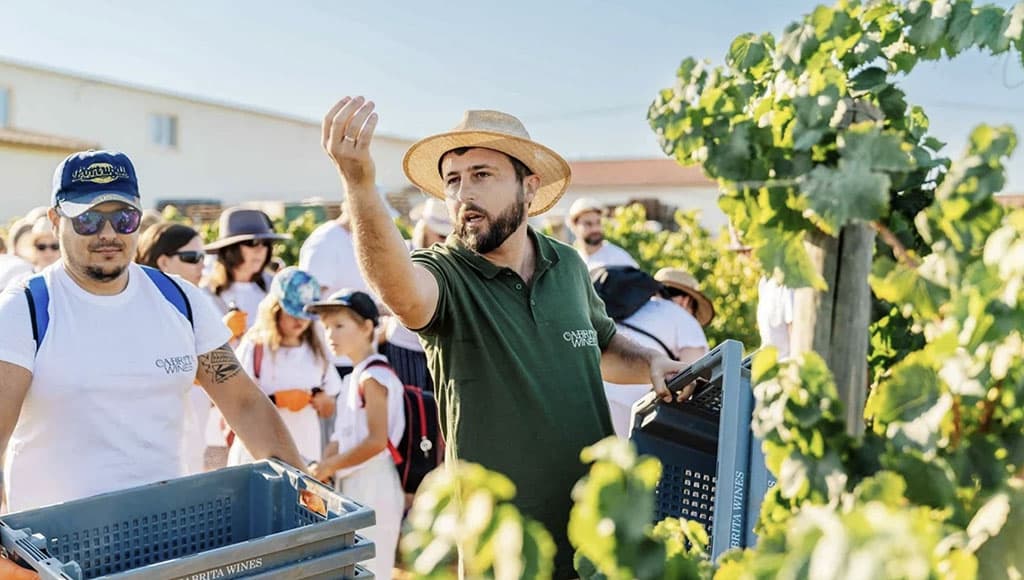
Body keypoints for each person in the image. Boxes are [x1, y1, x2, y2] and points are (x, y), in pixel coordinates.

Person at [320, 96, 691, 578]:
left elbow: (600, 345)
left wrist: (651, 363)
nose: (463, 193)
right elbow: (399, 289)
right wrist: (359, 183)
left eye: (481, 175)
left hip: (595, 532)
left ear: (528, 187)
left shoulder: (569, 265)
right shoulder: (446, 274)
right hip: (503, 548)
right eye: (453, 180)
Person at [0, 150, 305, 518]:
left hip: (163, 535)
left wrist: (305, 500)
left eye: (124, 219)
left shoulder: (180, 299)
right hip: (56, 550)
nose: (108, 234)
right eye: (89, 219)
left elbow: (244, 403)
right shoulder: (26, 309)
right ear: (55, 220)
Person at [309, 289, 404, 580]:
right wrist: (323, 467)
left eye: (339, 325)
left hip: (374, 482)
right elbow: (340, 437)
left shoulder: (374, 377)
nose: (330, 335)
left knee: (372, 568)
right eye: (326, 327)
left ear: (366, 327)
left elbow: (376, 442)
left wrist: (326, 467)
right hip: (352, 481)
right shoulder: (352, 378)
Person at [228, 267, 341, 466]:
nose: (300, 320)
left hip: (304, 449)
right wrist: (275, 400)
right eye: (292, 313)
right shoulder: (255, 348)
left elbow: (330, 400)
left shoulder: (318, 351)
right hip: (258, 452)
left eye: (306, 314)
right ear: (275, 309)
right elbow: (235, 400)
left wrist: (324, 401)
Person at [136, 221, 211, 473]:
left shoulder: (197, 301)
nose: (201, 264)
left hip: (195, 428)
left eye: (203, 256)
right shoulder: (140, 309)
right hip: (157, 443)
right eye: (191, 257)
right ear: (163, 261)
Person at [603, 268, 714, 438]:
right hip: (629, 410)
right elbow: (697, 375)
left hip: (592, 393)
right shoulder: (684, 318)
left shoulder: (628, 310)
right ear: (686, 301)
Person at [378, 198, 454, 391]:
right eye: (441, 234)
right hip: (405, 345)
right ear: (426, 228)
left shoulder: (453, 259)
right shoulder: (401, 252)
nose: (446, 240)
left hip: (441, 347)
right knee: (412, 408)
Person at [204, 207, 291, 333]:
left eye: (266, 243)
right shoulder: (206, 295)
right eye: (252, 242)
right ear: (230, 250)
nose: (260, 249)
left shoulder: (278, 290)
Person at [566, 197, 638, 269]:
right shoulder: (571, 262)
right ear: (574, 226)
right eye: (588, 224)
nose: (595, 229)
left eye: (598, 222)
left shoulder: (620, 259)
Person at [757, 275, 795, 359]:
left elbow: (792, 326)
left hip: (785, 360)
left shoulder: (787, 284)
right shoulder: (763, 283)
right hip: (768, 360)